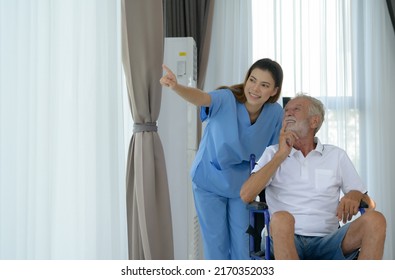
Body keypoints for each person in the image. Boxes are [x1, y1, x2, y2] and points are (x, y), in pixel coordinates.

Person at [160, 58, 284, 259]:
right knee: (216, 246)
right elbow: (201, 98)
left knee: (244, 248)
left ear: (274, 91)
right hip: (209, 179)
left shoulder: (275, 113)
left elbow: (276, 151)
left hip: (242, 187)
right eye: (252, 80)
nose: (255, 88)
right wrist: (176, 86)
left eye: (264, 85)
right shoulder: (226, 99)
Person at [240, 93, 387, 260]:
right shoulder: (272, 153)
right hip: (284, 238)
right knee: (281, 218)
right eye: (286, 110)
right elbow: (246, 195)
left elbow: (370, 205)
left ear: (314, 121)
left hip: (328, 241)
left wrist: (355, 194)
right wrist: (281, 155)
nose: (288, 113)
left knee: (376, 220)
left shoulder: (336, 155)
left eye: (296, 109)